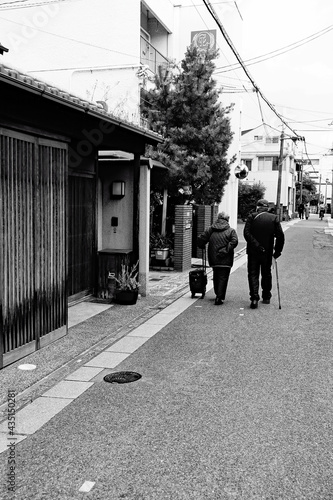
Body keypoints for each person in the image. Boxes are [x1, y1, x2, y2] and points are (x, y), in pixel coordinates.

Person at [243, 199, 285, 309]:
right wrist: (277, 252)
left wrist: (257, 245)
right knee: (266, 274)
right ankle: (266, 296)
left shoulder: (251, 217)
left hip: (253, 251)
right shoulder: (274, 218)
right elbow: (280, 236)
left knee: (253, 274)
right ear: (267, 208)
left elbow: (246, 233)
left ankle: (254, 298)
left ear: (257, 207)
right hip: (268, 252)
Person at [197, 212, 238, 305]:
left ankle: (217, 293)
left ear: (218, 218)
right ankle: (219, 297)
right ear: (227, 219)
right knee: (223, 277)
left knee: (216, 275)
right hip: (226, 258)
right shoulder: (231, 231)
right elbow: (234, 241)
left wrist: (201, 245)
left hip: (213, 257)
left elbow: (201, 239)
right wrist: (225, 250)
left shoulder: (211, 229)